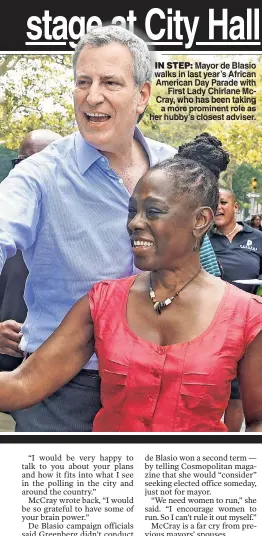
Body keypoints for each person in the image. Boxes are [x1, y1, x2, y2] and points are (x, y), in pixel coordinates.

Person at [0, 26, 220, 432]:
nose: (92, 96)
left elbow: (207, 267)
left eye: (110, 82)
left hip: (165, 380)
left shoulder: (175, 168)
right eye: (83, 81)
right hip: (64, 388)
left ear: (142, 95)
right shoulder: (38, 176)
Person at [0, 133, 262, 433]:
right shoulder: (102, 302)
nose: (135, 223)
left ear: (200, 220)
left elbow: (256, 420)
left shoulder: (247, 316)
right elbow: (24, 384)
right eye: (132, 211)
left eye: (153, 211)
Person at [0, 129, 61, 373]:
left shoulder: (80, 232)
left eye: (41, 163)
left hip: (55, 380)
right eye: (22, 162)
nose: (29, 172)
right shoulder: (5, 225)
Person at [209, 188, 262, 431]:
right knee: (208, 384)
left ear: (236, 206)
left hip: (247, 324)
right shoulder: (204, 239)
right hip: (209, 320)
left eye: (223, 202)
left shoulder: (257, 238)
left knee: (238, 392)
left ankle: (229, 443)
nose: (218, 207)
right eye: (213, 203)